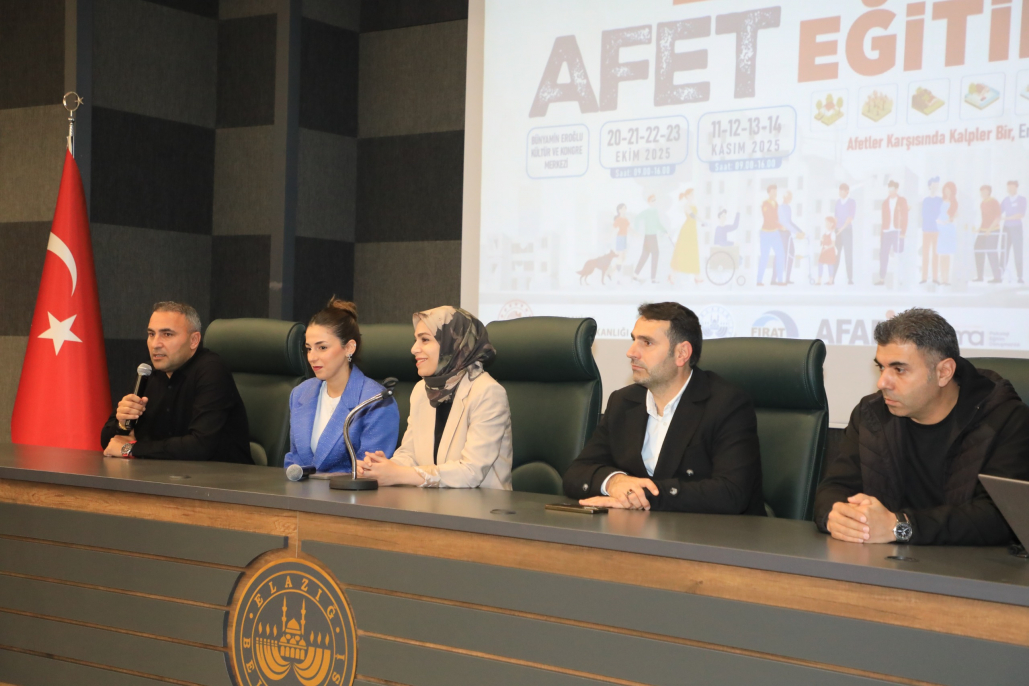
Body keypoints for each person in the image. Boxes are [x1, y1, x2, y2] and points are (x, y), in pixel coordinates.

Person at [814, 308, 1029, 546]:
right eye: (881, 367)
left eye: (899, 370)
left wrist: (901, 526)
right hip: (882, 558)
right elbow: (834, 488)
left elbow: (999, 516)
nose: (882, 382)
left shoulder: (1005, 419)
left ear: (944, 372)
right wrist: (837, 517)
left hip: (970, 562)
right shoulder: (871, 414)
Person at [564, 302, 764, 514]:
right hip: (633, 528)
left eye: (647, 343)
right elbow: (576, 474)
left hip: (708, 532)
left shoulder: (726, 404)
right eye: (634, 340)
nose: (631, 352)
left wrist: (641, 495)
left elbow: (731, 493)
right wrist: (614, 482)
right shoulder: (623, 402)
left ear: (682, 353)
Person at [358, 306, 512, 489]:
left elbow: (471, 472)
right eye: (415, 340)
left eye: (425, 340)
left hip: (482, 504)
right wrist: (381, 468)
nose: (414, 349)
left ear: (453, 343)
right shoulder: (421, 390)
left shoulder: (487, 392)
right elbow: (410, 454)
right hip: (432, 502)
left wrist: (398, 474)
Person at [100, 301, 250, 463]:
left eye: (167, 334)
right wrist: (122, 424)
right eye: (151, 334)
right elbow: (108, 443)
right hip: (162, 474)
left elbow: (200, 446)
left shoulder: (211, 370)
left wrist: (131, 448)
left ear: (194, 340)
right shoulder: (147, 373)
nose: (155, 344)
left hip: (221, 475)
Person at [283, 299, 399, 475]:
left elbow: (369, 473)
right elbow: (293, 461)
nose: (312, 357)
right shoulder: (300, 393)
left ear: (349, 348)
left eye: (322, 347)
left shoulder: (376, 402)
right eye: (308, 348)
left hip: (347, 492)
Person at [668, 189, 702, 285]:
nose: (693, 195)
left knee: (693, 252)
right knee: (682, 252)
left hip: (692, 230)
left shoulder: (693, 204)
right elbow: (692, 215)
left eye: (693, 194)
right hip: (687, 230)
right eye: (691, 194)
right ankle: (672, 276)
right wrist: (702, 221)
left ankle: (697, 276)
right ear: (687, 196)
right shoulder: (686, 206)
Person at [878, 180, 908, 284]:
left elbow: (905, 217)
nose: (890, 191)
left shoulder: (902, 201)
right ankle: (882, 279)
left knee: (899, 255)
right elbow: (883, 220)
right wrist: (881, 235)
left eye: (892, 189)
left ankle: (901, 279)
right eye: (889, 189)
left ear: (896, 190)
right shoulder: (885, 203)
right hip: (886, 232)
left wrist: (903, 232)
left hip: (897, 231)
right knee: (883, 255)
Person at [633, 194, 668, 284]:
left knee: (645, 255)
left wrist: (664, 230)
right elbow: (637, 218)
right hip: (650, 236)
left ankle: (635, 275)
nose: (654, 202)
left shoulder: (655, 211)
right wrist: (636, 230)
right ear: (648, 202)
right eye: (652, 200)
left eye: (655, 200)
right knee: (655, 254)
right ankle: (653, 278)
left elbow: (657, 223)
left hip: (651, 236)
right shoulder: (647, 212)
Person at [974, 185, 1003, 283]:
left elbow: (998, 217)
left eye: (984, 191)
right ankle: (980, 276)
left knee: (991, 251)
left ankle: (997, 277)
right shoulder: (982, 203)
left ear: (988, 192)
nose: (982, 193)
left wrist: (989, 230)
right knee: (978, 249)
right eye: (981, 191)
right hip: (983, 230)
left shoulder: (994, 202)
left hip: (993, 229)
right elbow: (984, 219)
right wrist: (979, 229)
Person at [757, 185, 784, 286]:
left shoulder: (776, 204)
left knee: (781, 255)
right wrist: (780, 226)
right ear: (769, 192)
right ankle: (759, 281)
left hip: (775, 233)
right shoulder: (765, 204)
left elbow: (778, 218)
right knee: (764, 257)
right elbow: (769, 218)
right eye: (773, 191)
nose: (775, 193)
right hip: (766, 233)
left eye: (775, 191)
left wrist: (781, 225)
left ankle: (780, 280)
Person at [777, 190, 804, 284]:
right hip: (781, 233)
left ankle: (787, 278)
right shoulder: (780, 208)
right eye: (788, 197)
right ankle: (781, 278)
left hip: (788, 233)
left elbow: (790, 222)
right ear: (784, 197)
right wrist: (796, 233)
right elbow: (785, 223)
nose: (790, 199)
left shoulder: (788, 208)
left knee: (791, 252)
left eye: (791, 197)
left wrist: (800, 231)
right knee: (784, 255)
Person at [1000, 180, 1024, 284]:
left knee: (1018, 251)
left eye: (1012, 187)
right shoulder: (1005, 200)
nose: (1010, 189)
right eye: (1008, 187)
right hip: (1006, 228)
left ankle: (1019, 276)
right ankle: (1000, 274)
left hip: (1016, 228)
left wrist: (1006, 218)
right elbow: (998, 212)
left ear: (1016, 187)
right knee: (1004, 250)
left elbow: (1021, 214)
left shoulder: (1022, 199)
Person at [920, 177, 942, 284]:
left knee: (935, 255)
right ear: (929, 186)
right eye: (933, 185)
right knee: (925, 254)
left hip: (936, 230)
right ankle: (924, 278)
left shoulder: (940, 200)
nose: (935, 187)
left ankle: (935, 278)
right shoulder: (926, 200)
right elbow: (924, 214)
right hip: (927, 230)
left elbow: (941, 213)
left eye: (936, 185)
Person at [936, 181, 958, 285]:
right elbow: (936, 213)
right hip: (940, 228)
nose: (947, 192)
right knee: (941, 254)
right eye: (946, 190)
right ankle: (942, 277)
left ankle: (946, 278)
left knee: (947, 254)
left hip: (948, 228)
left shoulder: (954, 202)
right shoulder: (940, 201)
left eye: (949, 190)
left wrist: (947, 221)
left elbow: (956, 215)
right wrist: (938, 222)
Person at [833, 183, 855, 285]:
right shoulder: (837, 202)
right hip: (837, 231)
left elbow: (850, 218)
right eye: (839, 191)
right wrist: (834, 229)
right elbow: (836, 217)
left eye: (842, 191)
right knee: (835, 254)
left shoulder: (851, 202)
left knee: (848, 255)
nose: (840, 193)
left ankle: (850, 279)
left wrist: (842, 228)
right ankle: (832, 278)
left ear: (847, 192)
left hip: (846, 231)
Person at [818, 216, 838, 285]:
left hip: (829, 251)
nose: (826, 224)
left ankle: (830, 281)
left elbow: (833, 244)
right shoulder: (825, 232)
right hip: (824, 250)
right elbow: (822, 241)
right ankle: (819, 281)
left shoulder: (832, 233)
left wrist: (826, 248)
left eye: (827, 222)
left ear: (831, 224)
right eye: (825, 222)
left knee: (830, 265)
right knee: (820, 263)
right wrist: (821, 241)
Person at [612, 203, 630, 274]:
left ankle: (611, 273)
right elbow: (613, 228)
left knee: (623, 258)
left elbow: (629, 228)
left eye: (625, 208)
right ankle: (613, 273)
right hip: (620, 238)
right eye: (623, 208)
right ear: (619, 210)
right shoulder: (618, 219)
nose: (625, 209)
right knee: (620, 256)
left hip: (624, 238)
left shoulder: (626, 219)